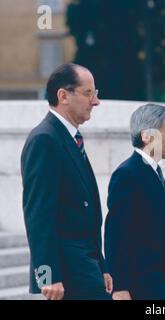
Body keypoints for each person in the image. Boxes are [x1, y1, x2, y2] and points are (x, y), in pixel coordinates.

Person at [20, 63, 112, 300]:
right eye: (88, 93)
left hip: (86, 268)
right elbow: (38, 215)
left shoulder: (69, 137)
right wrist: (48, 275)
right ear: (63, 96)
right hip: (69, 273)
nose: (96, 102)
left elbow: (87, 213)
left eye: (96, 93)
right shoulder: (45, 139)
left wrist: (101, 266)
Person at [104, 103, 165, 300]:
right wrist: (119, 287)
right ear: (147, 136)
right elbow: (115, 235)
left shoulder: (154, 172)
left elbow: (159, 236)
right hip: (138, 287)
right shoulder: (127, 174)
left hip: (156, 283)